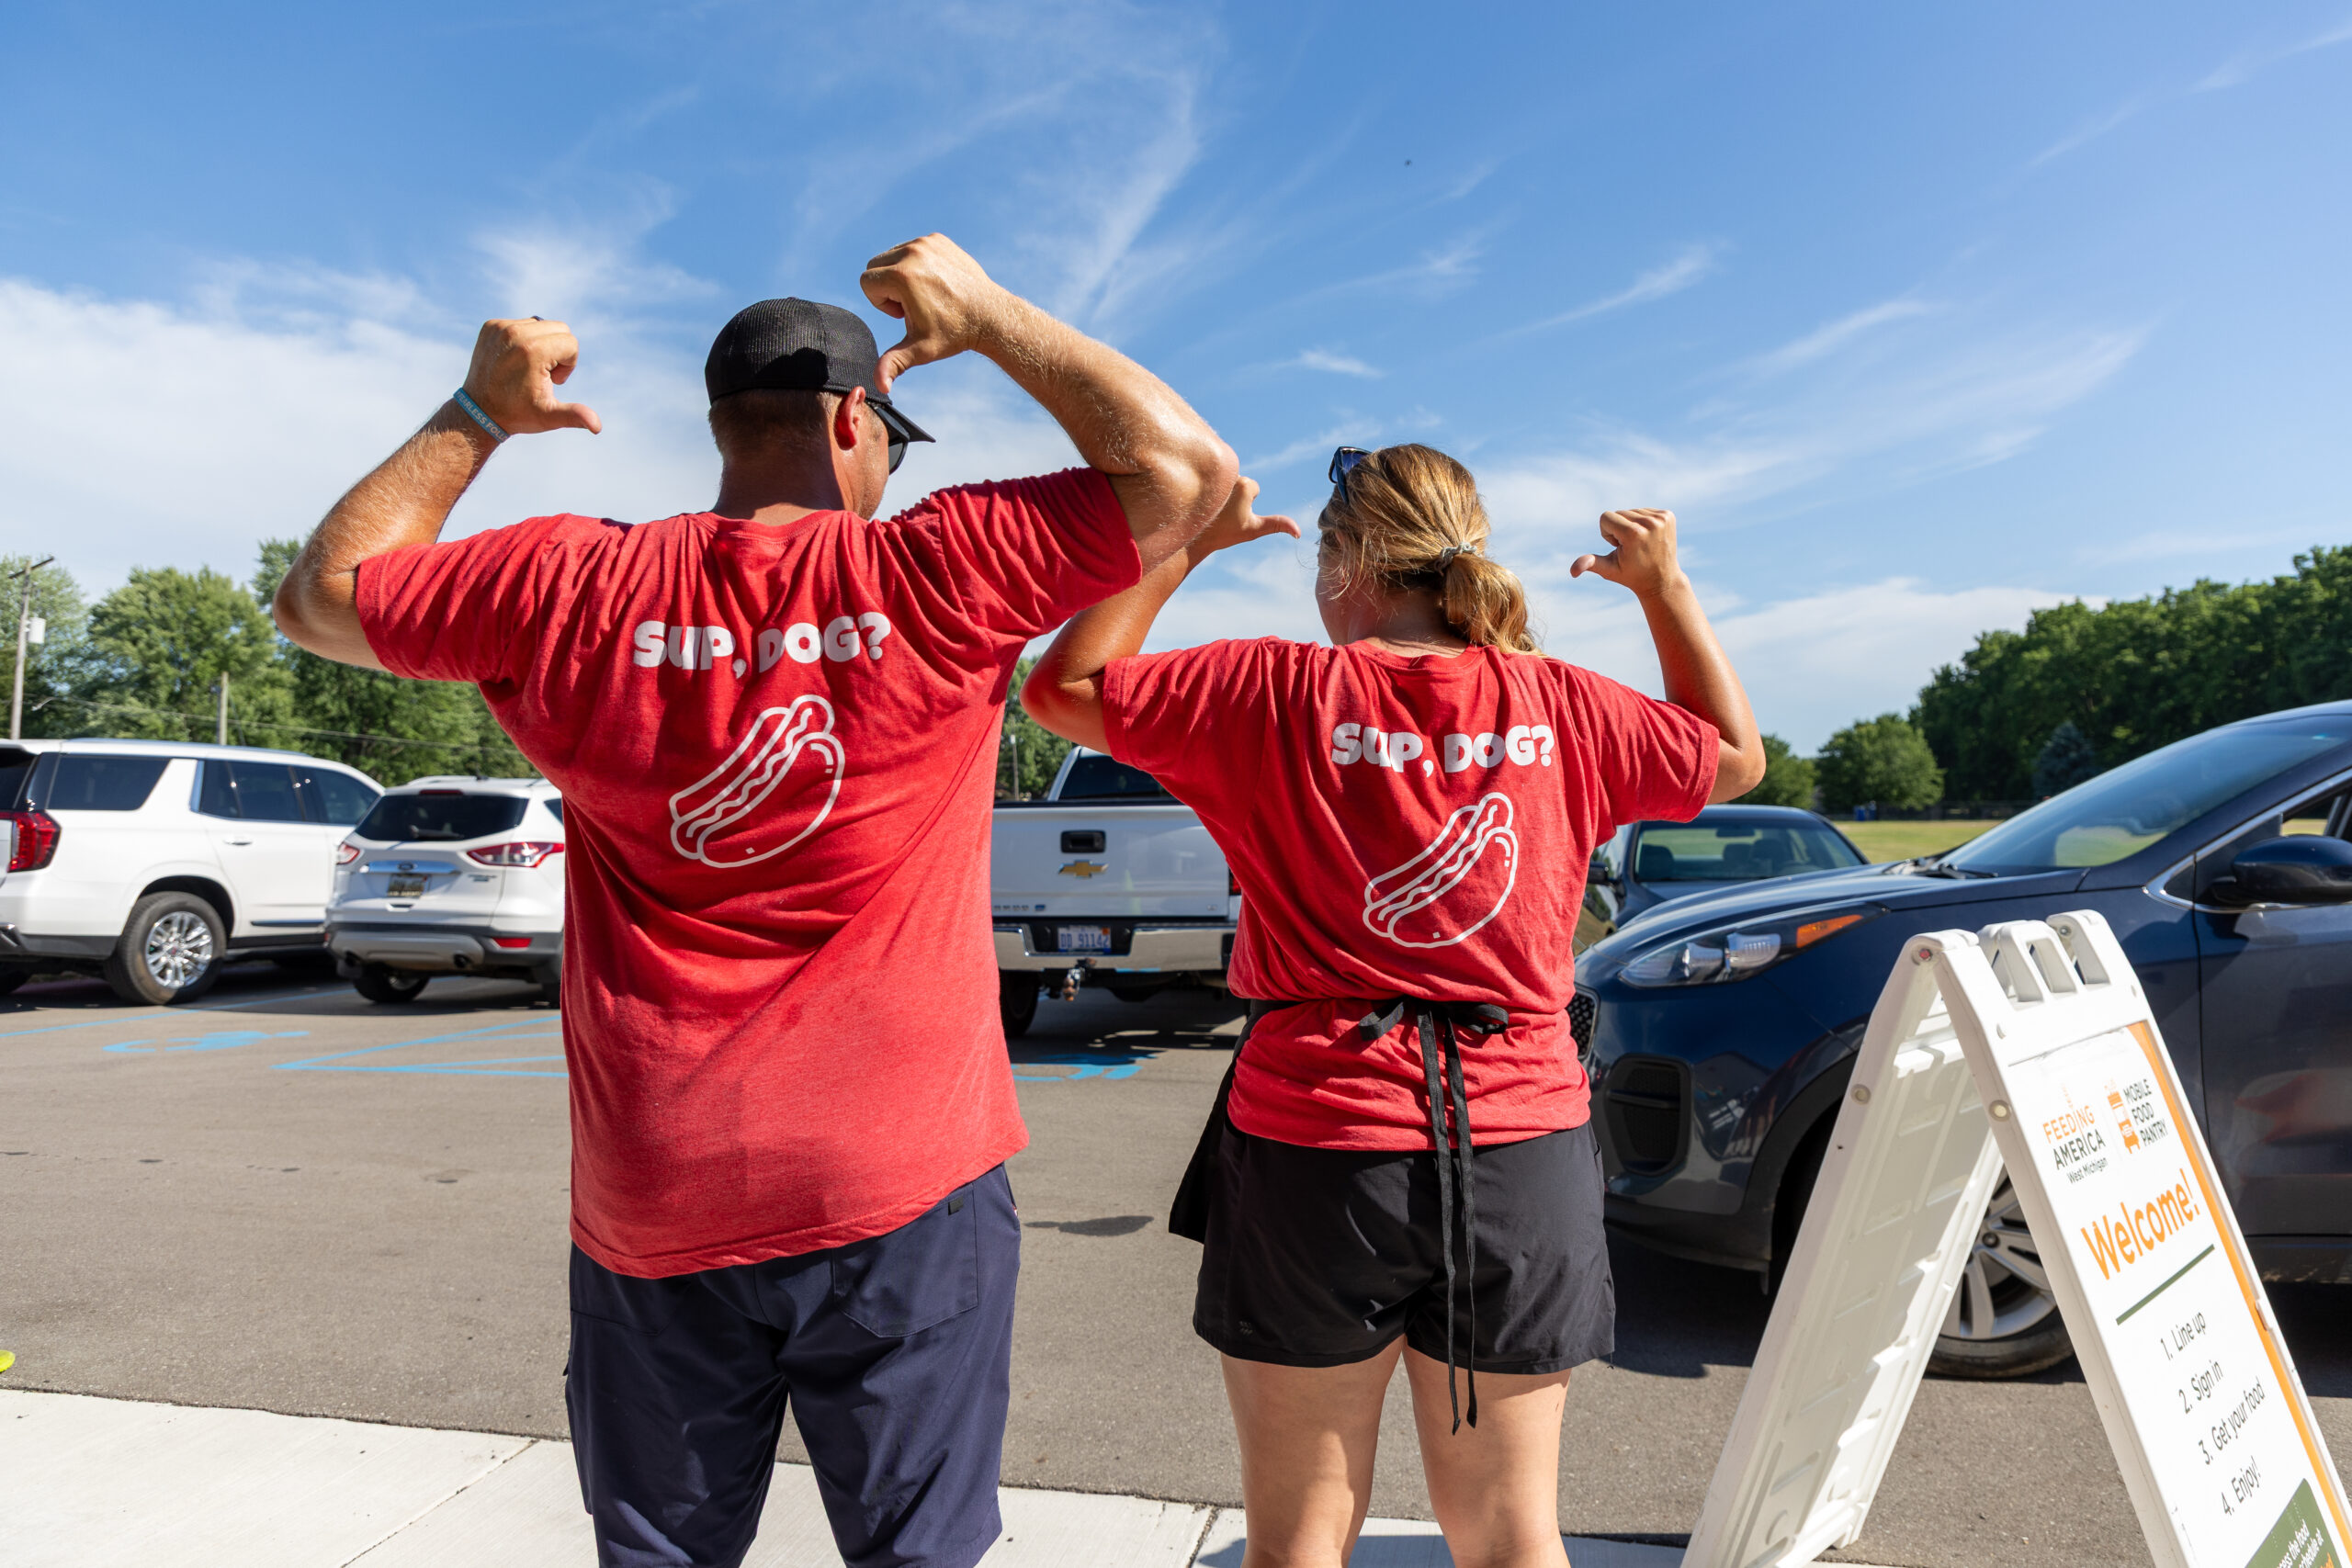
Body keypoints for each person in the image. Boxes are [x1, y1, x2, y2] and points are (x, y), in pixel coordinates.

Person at [271, 234, 1237, 1568]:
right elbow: (1191, 476)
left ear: (721, 426)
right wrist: (998, 314)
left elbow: (321, 596)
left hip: (656, 1190)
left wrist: (481, 409)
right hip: (901, 1185)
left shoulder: (572, 580)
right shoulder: (934, 571)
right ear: (855, 422)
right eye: (892, 439)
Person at [1022, 445, 1765, 1568]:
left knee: (1298, 1538)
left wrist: (1175, 544)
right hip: (1519, 1144)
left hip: (1319, 1145)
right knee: (1512, 1534)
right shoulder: (1562, 702)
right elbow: (1733, 761)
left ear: (1345, 560)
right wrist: (1666, 590)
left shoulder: (1272, 688)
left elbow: (1058, 690)